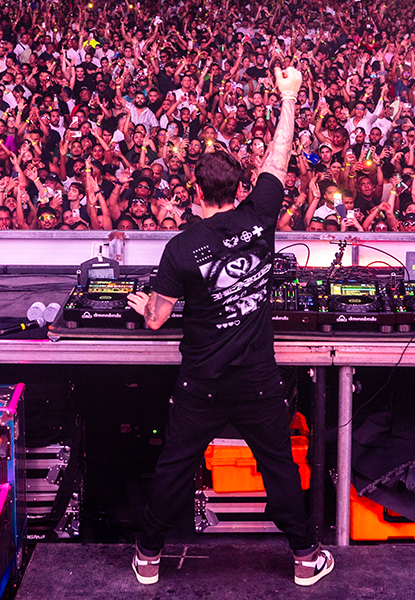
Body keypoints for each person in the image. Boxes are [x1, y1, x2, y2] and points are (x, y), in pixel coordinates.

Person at [125, 65, 332, 587]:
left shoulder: (180, 248)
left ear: (195, 190)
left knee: (175, 466)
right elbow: (279, 156)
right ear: (240, 187)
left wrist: (144, 303)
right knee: (278, 467)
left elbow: (157, 321)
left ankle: (148, 555)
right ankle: (305, 557)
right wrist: (289, 97)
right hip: (258, 380)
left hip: (201, 382)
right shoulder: (259, 215)